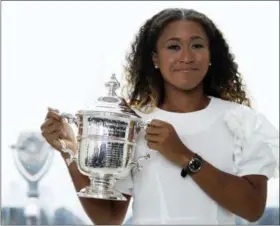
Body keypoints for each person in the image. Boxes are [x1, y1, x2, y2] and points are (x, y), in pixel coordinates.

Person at [40, 8, 279, 225]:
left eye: (197, 45)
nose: (186, 57)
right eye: (173, 47)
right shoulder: (132, 124)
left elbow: (252, 208)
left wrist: (184, 155)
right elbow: (109, 218)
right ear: (155, 58)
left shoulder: (243, 122)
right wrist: (69, 150)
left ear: (211, 55)